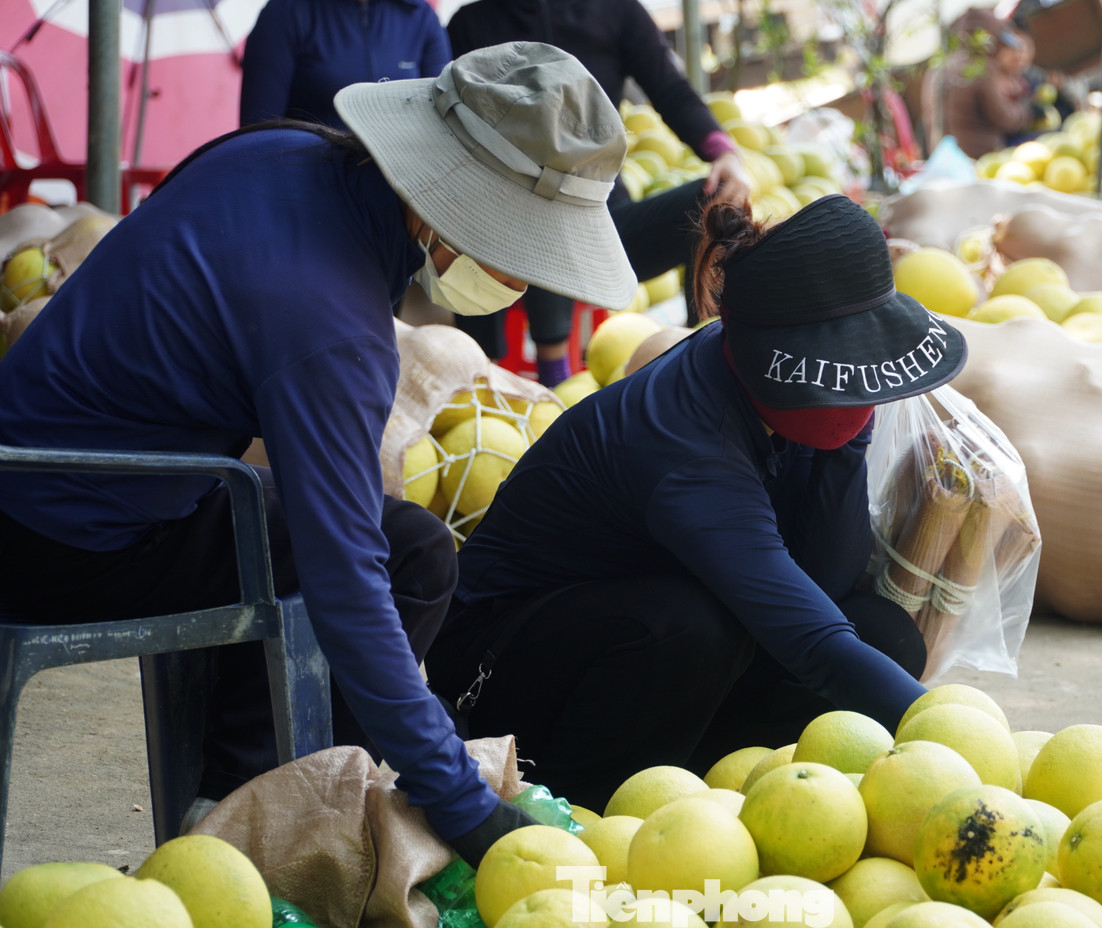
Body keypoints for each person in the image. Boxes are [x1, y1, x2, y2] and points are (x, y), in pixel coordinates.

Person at [0, 42, 636, 865]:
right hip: (63, 538)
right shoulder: (330, 325)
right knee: (409, 559)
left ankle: (223, 791)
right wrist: (463, 805)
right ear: (448, 208)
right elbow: (348, 582)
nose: (522, 277)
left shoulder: (278, 149)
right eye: (521, 249)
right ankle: (257, 828)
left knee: (328, 532)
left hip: (44, 470)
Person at [424, 193, 969, 809]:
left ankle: (694, 772)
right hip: (498, 667)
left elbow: (827, 581)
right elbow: (813, 642)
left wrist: (847, 440)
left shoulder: (772, 392)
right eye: (847, 367)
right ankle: (578, 802)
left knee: (882, 636)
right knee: (690, 629)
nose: (860, 386)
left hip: (634, 637)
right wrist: (965, 746)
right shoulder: (687, 449)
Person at [446, 0, 753, 386]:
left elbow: (670, 88)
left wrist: (723, 152)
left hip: (604, 226)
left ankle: (701, 354)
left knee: (719, 200)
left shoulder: (615, 11)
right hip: (501, 233)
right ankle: (538, 382)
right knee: (540, 201)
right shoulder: (471, 24)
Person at [239, 0, 451, 128]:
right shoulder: (286, 12)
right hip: (310, 180)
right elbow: (257, 130)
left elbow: (443, 120)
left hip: (400, 185)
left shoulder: (420, 16)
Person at [921, 11, 1038, 159]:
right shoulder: (981, 67)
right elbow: (1003, 118)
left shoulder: (937, 68)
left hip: (944, 157)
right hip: (978, 158)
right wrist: (1028, 112)